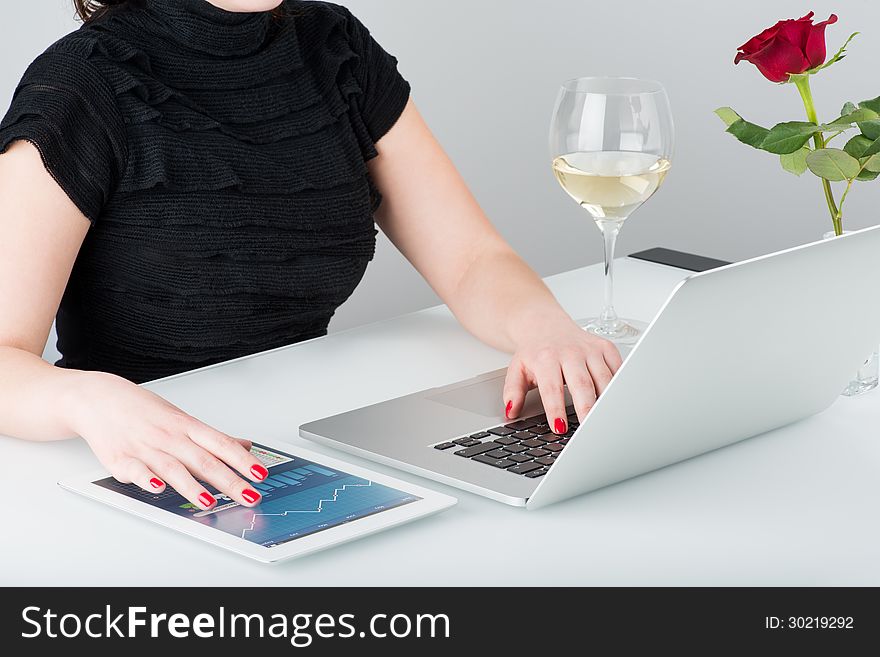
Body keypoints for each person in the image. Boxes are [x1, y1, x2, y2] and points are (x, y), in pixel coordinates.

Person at [0, 0, 621, 511]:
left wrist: (548, 331)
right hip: (131, 461)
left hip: (306, 434)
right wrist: (90, 399)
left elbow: (471, 259)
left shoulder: (333, 46)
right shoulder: (82, 84)